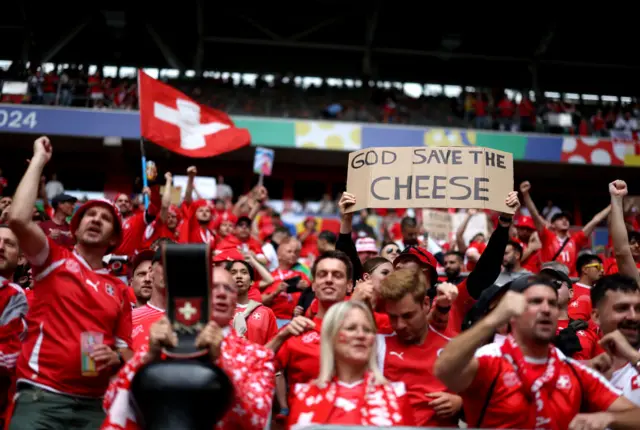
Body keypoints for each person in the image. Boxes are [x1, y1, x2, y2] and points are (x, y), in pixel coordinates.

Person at [6, 136, 132, 429]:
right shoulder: (53, 258)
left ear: (114, 238)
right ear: (75, 228)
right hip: (42, 399)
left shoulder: (121, 290)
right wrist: (39, 159)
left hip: (93, 407)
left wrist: (115, 356)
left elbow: (128, 351)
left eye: (105, 218)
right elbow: (18, 220)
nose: (96, 220)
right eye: (89, 215)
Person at [435, 275, 640, 429]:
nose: (546, 309)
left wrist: (609, 417)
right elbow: (444, 369)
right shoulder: (490, 360)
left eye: (552, 303)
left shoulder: (574, 372)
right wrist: (493, 319)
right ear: (512, 312)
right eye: (535, 302)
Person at [102, 267, 275, 430]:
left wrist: (221, 360)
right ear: (197, 297)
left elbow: (256, 421)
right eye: (213, 287)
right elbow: (111, 402)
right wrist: (148, 356)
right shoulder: (165, 346)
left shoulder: (257, 355)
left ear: (235, 302)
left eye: (228, 289)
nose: (222, 293)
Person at [288, 300, 411, 428]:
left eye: (368, 330)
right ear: (331, 337)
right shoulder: (305, 395)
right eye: (351, 328)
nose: (361, 335)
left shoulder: (397, 395)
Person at [378, 268, 462, 427]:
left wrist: (461, 403)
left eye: (408, 316)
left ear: (425, 304)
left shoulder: (454, 345)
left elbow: (484, 397)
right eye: (393, 317)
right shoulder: (377, 343)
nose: (400, 325)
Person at [228, 259, 278, 345]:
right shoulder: (218, 312)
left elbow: (273, 348)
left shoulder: (266, 313)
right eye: (233, 273)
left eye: (244, 272)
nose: (239, 276)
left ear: (251, 282)